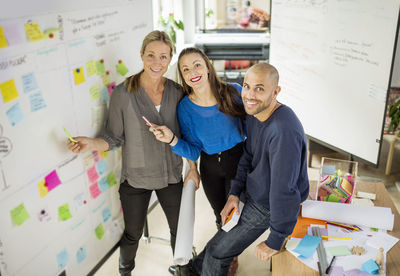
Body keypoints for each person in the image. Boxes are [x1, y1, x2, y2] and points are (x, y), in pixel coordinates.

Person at [66, 30, 199, 276]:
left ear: (170, 59)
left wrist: (193, 169)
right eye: (151, 55)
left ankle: (183, 270)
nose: (156, 63)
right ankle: (125, 270)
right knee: (133, 233)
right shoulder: (123, 93)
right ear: (141, 55)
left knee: (179, 231)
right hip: (135, 179)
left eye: (163, 56)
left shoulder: (178, 93)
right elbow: (113, 137)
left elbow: (188, 138)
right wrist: (90, 144)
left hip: (170, 176)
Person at [177, 62, 310, 276]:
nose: (249, 95)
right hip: (255, 189)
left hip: (268, 203)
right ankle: (192, 271)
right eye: (247, 86)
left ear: (276, 92)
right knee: (220, 242)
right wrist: (234, 195)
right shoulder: (255, 113)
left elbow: (284, 191)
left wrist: (275, 240)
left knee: (217, 253)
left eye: (259, 88)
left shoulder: (283, 132)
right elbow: (248, 155)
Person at [148, 47, 246, 275]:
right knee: (220, 216)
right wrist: (171, 139)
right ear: (182, 76)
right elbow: (193, 150)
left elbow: (253, 130)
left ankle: (219, 261)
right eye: (185, 69)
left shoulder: (234, 92)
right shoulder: (185, 108)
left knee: (234, 220)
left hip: (238, 161)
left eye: (197, 65)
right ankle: (227, 256)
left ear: (207, 66)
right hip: (210, 166)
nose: (192, 71)